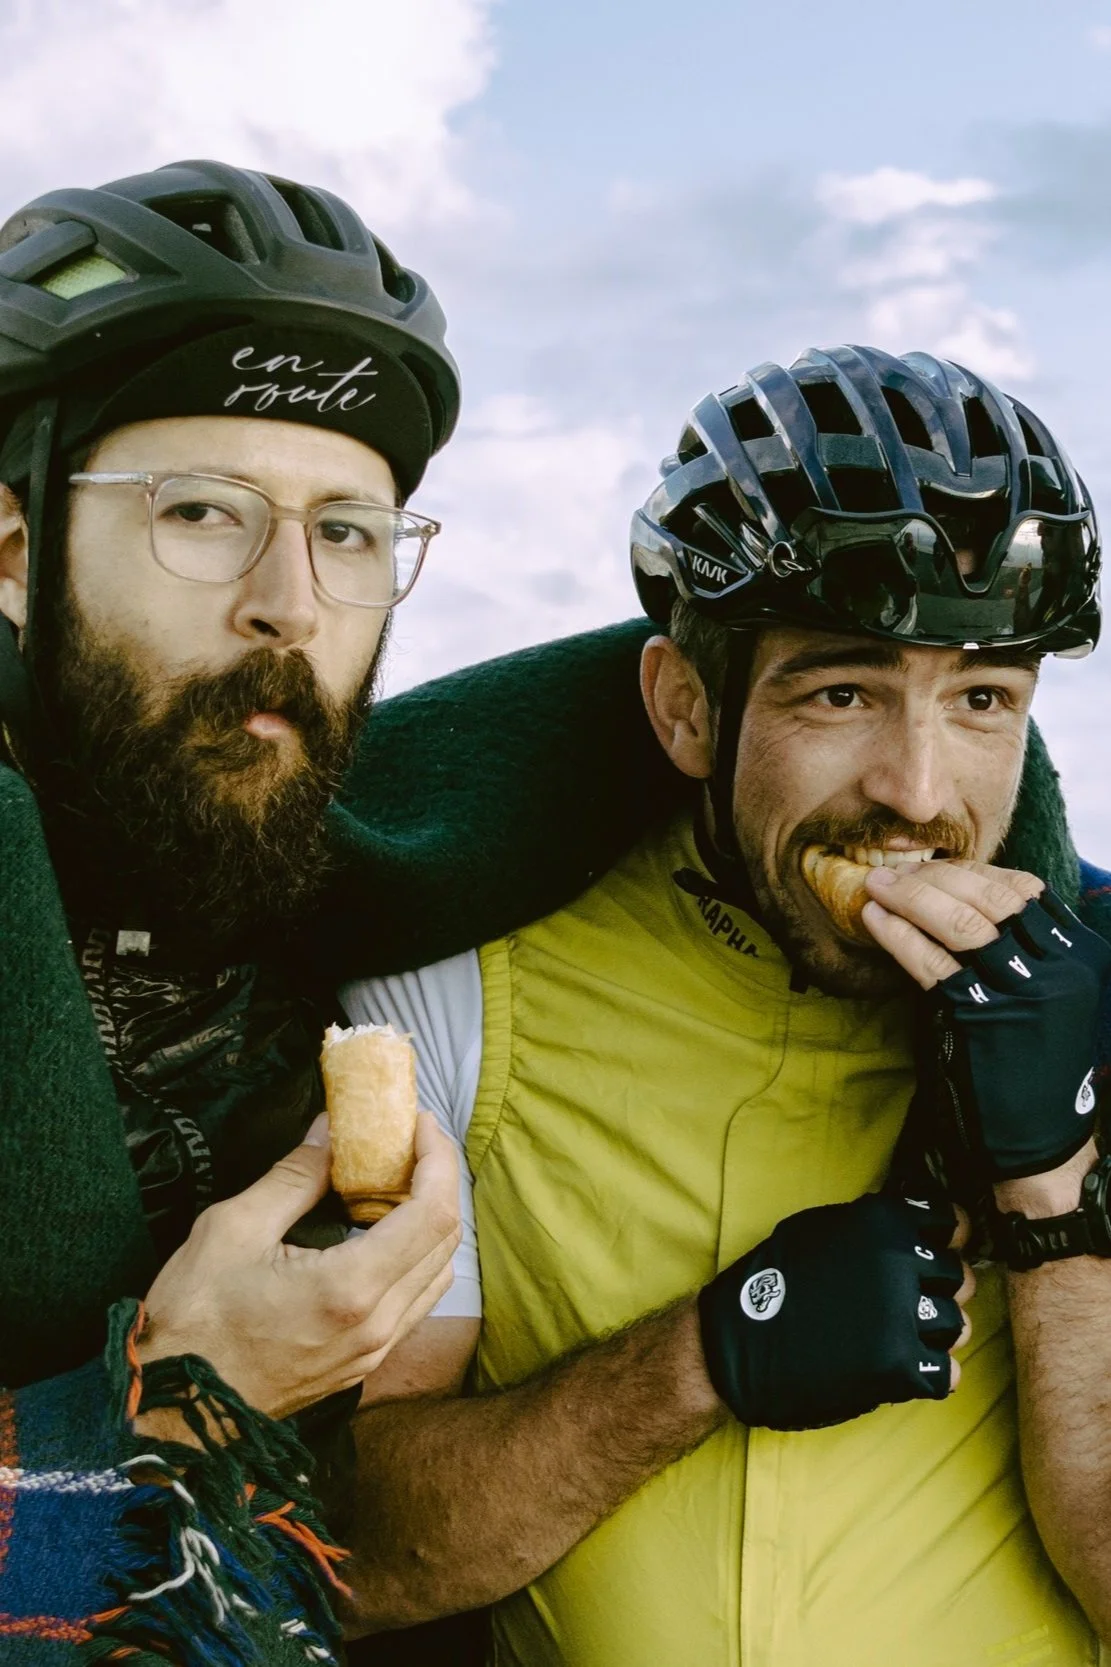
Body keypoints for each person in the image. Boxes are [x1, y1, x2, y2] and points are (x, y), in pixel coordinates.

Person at [336, 347, 1111, 1664]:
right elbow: (356, 1560)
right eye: (843, 692)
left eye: (982, 698)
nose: (918, 791)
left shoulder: (1094, 996)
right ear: (686, 708)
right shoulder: (451, 987)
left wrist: (1054, 1186)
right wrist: (700, 1358)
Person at [0, 158, 478, 1665]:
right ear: (14, 552)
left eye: (349, 531)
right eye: (203, 512)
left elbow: (674, 717)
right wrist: (164, 1411)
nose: (292, 601)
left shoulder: (322, 874)